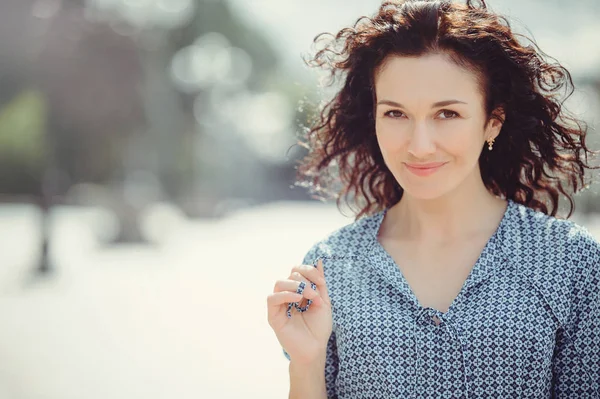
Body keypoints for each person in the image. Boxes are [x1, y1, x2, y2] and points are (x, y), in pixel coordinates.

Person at [266, 0, 600, 398]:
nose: (419, 146)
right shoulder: (331, 269)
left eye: (447, 114)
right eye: (395, 114)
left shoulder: (571, 263)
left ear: (492, 121)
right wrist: (306, 363)